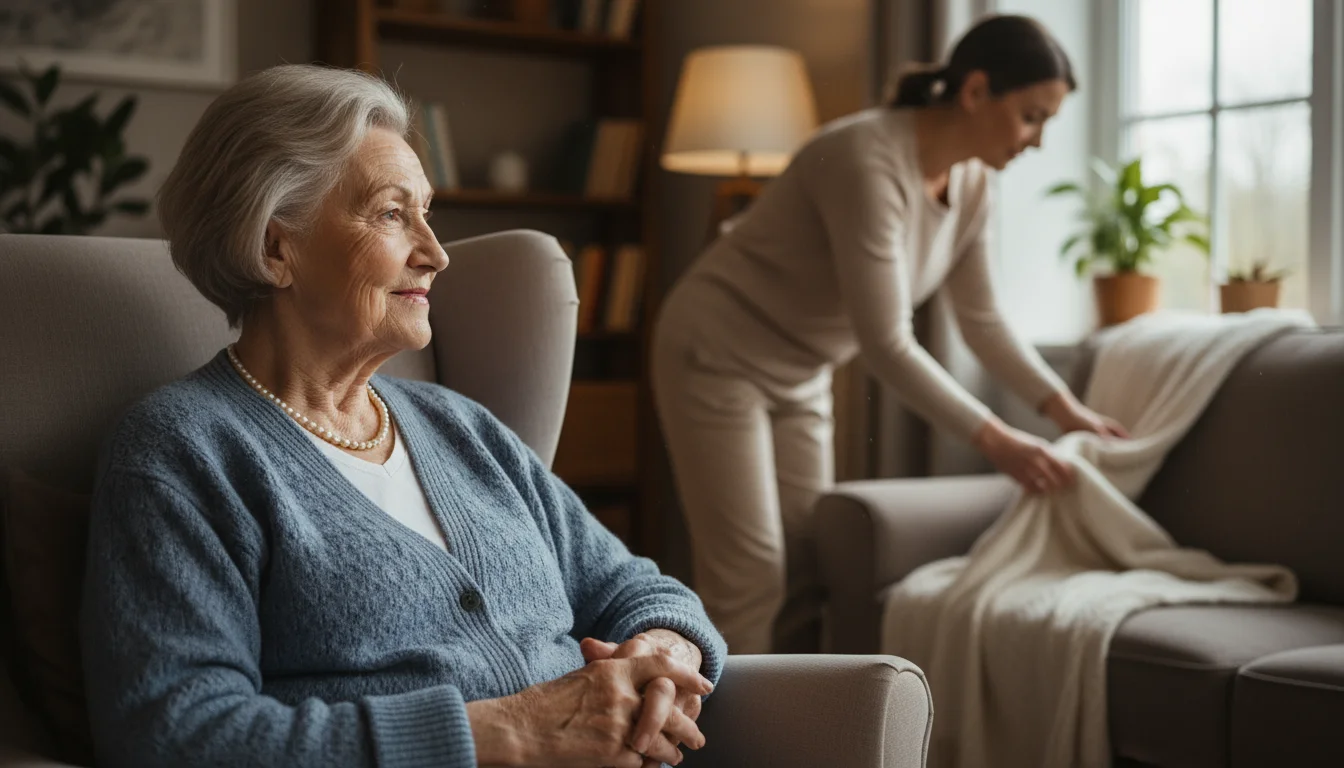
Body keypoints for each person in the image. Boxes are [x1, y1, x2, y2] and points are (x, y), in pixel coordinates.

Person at [79, 64, 726, 768]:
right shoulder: (182, 451)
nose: (436, 253)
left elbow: (636, 587)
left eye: (427, 213)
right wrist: (509, 730)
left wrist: (660, 656)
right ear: (275, 247)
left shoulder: (460, 427)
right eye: (392, 213)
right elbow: (176, 734)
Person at [651, 15, 1129, 656]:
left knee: (803, 567)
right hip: (715, 354)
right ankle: (722, 743)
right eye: (1031, 116)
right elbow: (885, 342)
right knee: (751, 576)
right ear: (977, 90)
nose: (1037, 141)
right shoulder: (865, 157)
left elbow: (981, 321)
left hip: (803, 371)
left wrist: (1066, 411)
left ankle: (790, 732)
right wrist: (999, 440)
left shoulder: (974, 183)